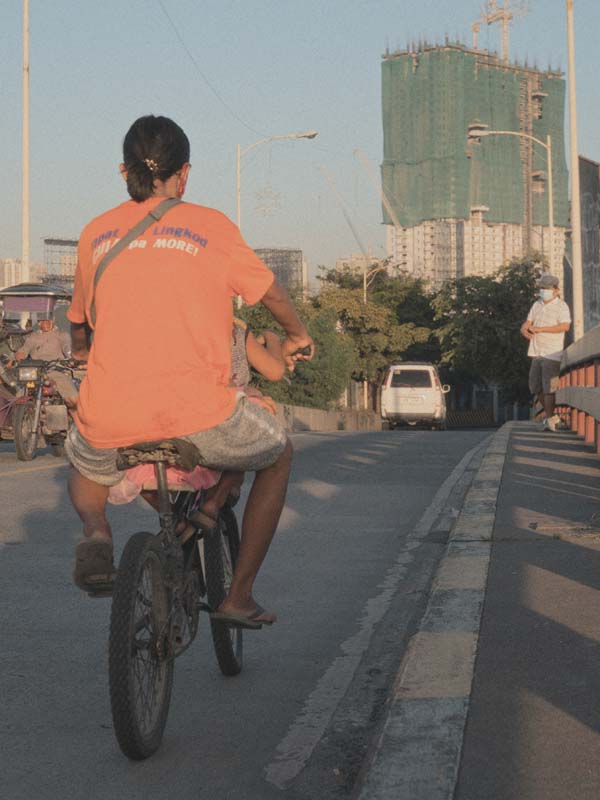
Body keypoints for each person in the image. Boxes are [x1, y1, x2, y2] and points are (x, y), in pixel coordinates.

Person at [65, 115, 314, 628]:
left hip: (113, 413)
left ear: (124, 171)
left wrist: (86, 356)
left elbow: (79, 324)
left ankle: (96, 531)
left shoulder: (95, 233)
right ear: (184, 174)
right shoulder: (211, 226)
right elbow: (271, 293)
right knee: (278, 452)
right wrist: (296, 335)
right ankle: (238, 596)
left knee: (85, 459)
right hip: (199, 415)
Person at [520, 272, 571, 432]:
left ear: (556, 290)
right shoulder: (537, 304)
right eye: (542, 288)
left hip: (552, 353)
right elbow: (527, 322)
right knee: (534, 386)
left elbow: (565, 326)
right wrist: (524, 330)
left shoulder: (561, 306)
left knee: (549, 388)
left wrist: (541, 329)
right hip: (536, 352)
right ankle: (552, 418)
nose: (544, 291)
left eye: (547, 288)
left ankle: (550, 420)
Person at [14, 318, 77, 402]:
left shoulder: (62, 335)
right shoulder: (33, 336)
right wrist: (17, 359)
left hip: (54, 369)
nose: (46, 323)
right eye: (42, 320)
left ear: (53, 320)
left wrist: (70, 358)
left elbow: (67, 348)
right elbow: (24, 350)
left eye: (48, 320)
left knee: (72, 399)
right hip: (35, 372)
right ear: (39, 323)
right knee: (18, 397)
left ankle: (77, 409)